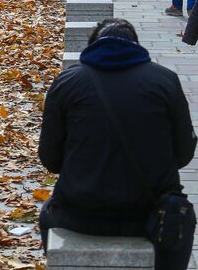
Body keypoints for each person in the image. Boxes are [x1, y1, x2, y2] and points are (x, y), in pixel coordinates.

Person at [39, 18, 196, 270]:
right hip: (152, 214)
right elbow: (184, 153)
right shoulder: (165, 80)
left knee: (46, 214)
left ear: (91, 47)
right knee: (183, 221)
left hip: (79, 213)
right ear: (135, 45)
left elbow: (50, 158)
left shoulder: (67, 82)